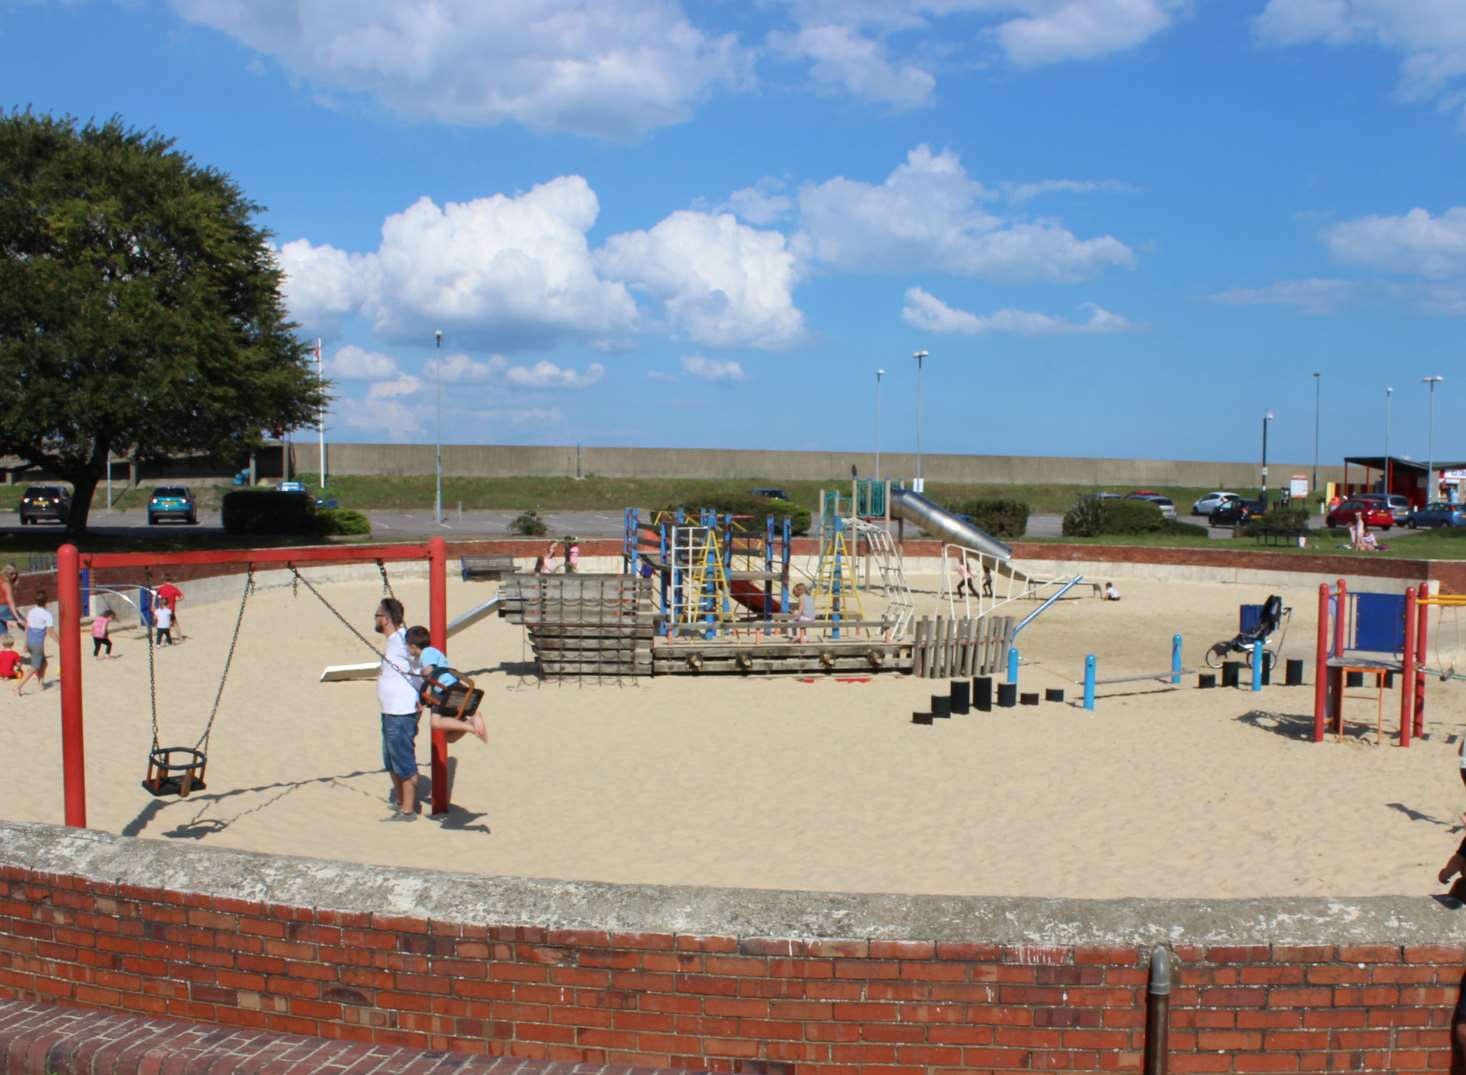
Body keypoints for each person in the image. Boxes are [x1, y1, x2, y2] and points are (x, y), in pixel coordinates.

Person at [375, 597, 423, 821]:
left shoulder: (403, 639)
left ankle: (408, 811)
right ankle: (401, 802)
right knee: (390, 760)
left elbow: (424, 660)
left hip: (401, 713)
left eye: (377, 615)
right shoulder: (394, 640)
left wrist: (422, 694)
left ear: (385, 619)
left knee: (403, 761)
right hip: (390, 712)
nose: (375, 619)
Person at [405, 625, 486, 743]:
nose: (406, 649)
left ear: (412, 646)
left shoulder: (426, 653)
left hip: (444, 689)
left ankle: (471, 723)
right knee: (449, 737)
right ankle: (469, 722)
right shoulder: (434, 652)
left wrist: (427, 692)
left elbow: (430, 672)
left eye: (406, 646)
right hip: (456, 686)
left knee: (435, 722)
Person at [16, 590, 58, 695]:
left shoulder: (31, 611)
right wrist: (60, 642)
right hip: (37, 644)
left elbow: (27, 628)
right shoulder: (46, 614)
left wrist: (25, 644)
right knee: (34, 666)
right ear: (46, 601)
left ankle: (40, 683)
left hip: (30, 641)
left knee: (43, 663)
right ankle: (18, 687)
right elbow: (50, 631)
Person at [154, 575, 184, 640]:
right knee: (175, 624)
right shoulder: (174, 588)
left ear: (164, 581)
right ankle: (180, 637)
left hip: (162, 609)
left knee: (161, 624)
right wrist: (175, 599)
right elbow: (182, 597)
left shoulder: (161, 588)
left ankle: (162, 638)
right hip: (170, 609)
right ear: (171, 580)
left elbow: (156, 595)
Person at [0, 564, 20, 640]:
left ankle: (5, 650)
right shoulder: (6, 583)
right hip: (4, 607)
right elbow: (11, 602)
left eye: (15, 574)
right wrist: (18, 618)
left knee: (3, 634)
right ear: (6, 572)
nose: (14, 576)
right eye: (12, 573)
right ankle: (33, 644)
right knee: (25, 624)